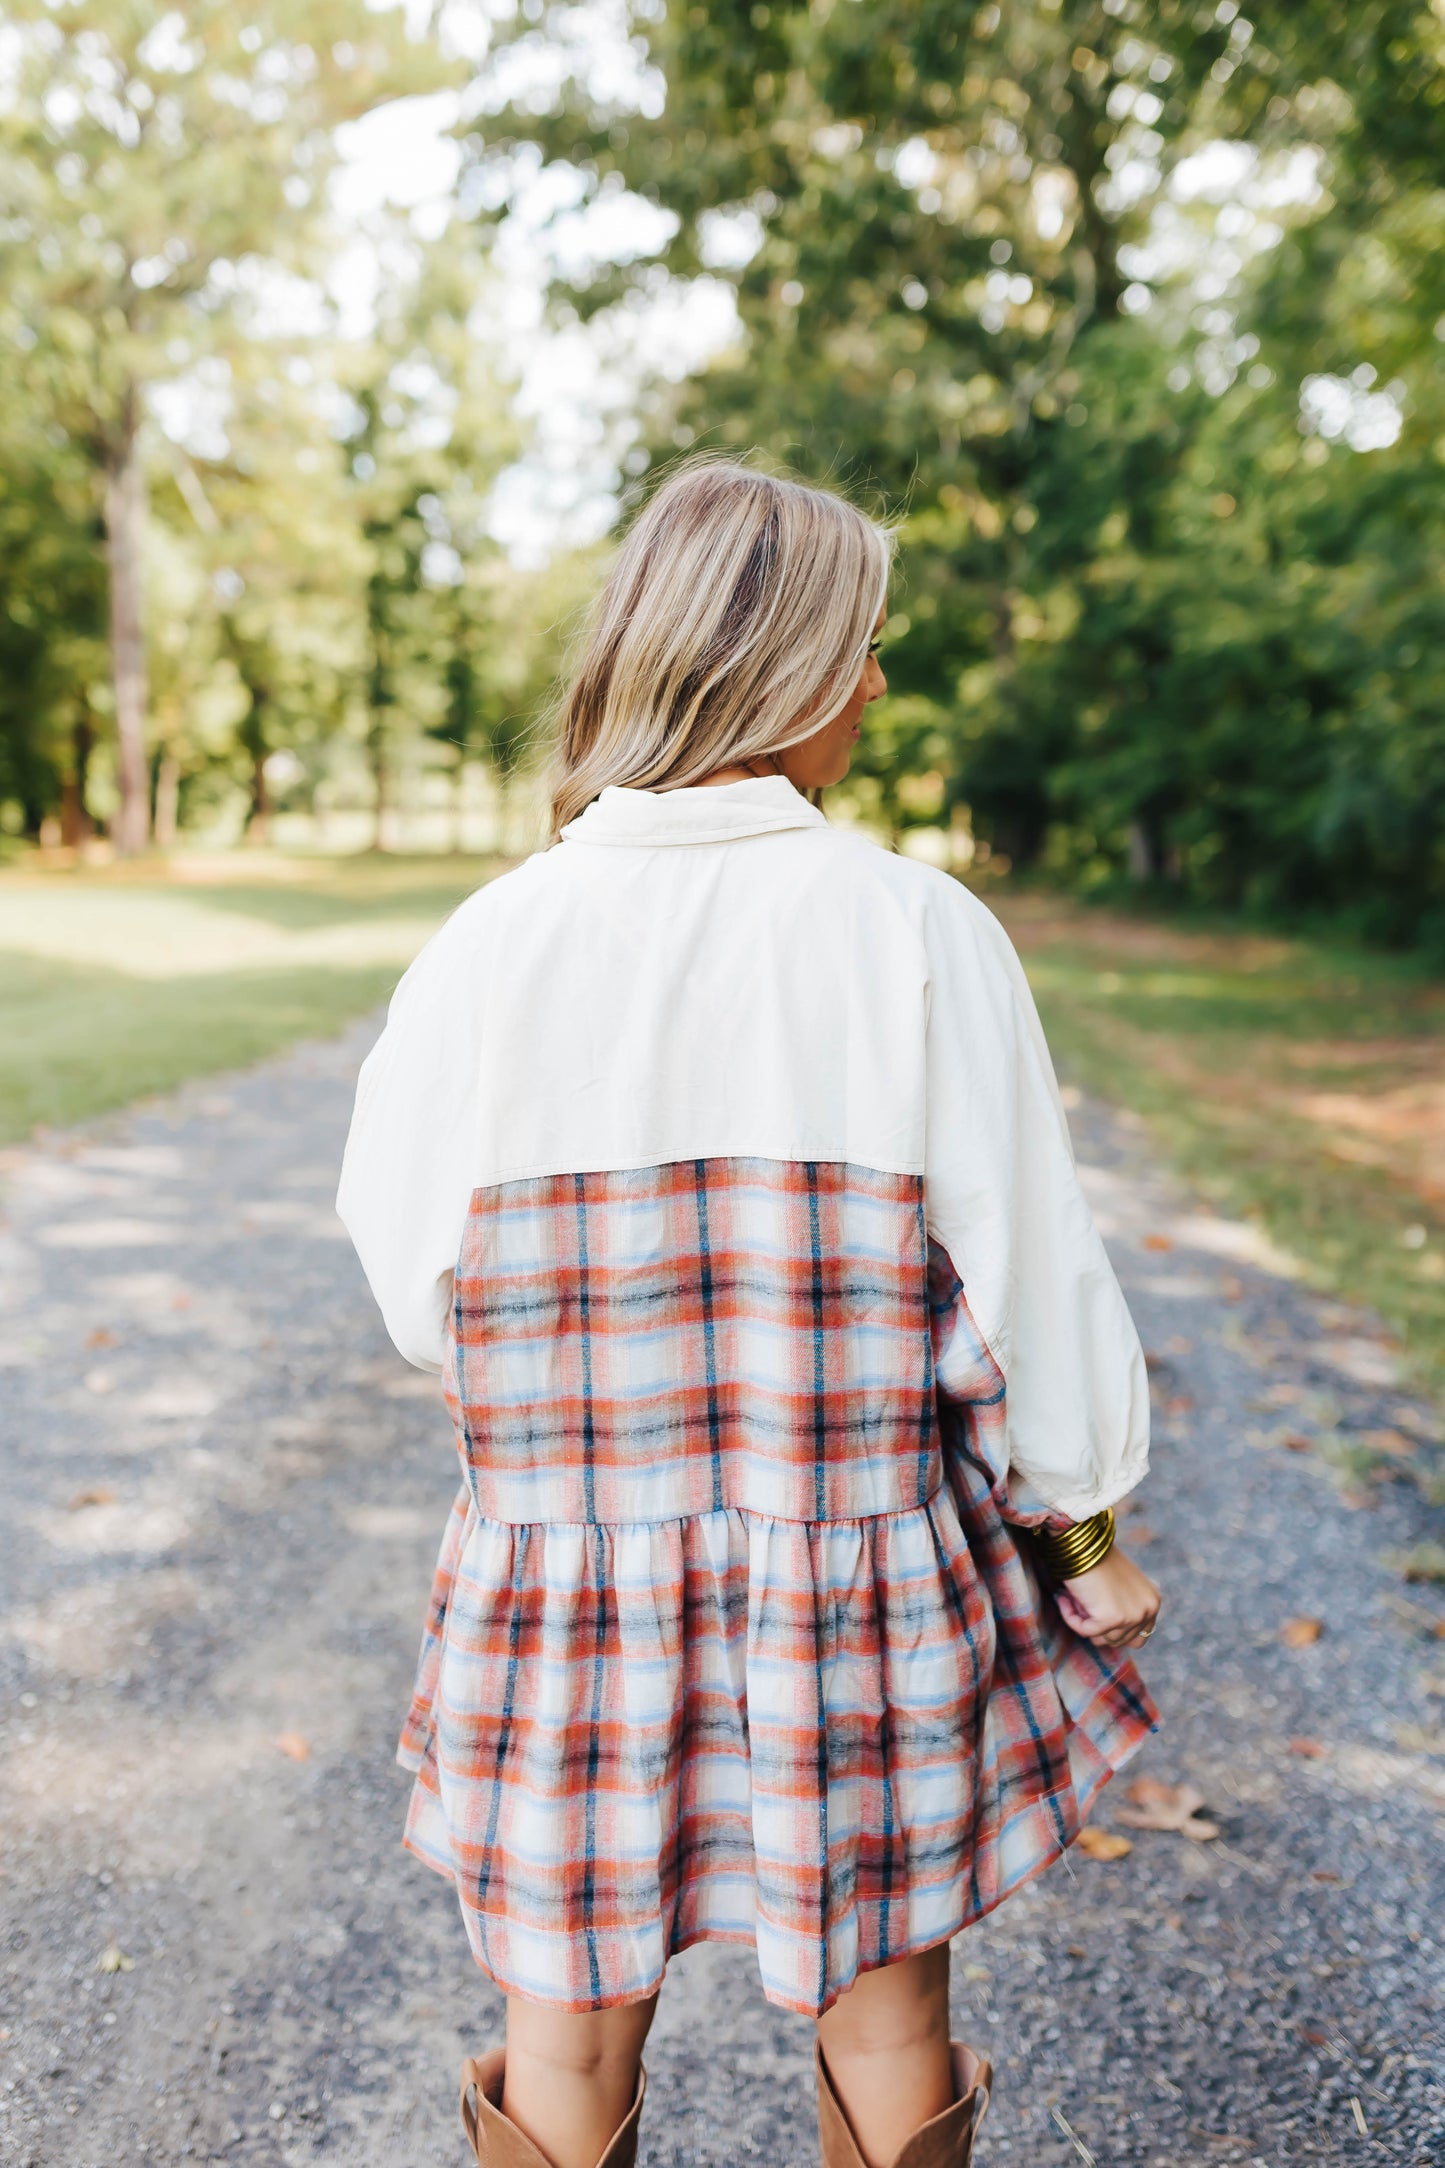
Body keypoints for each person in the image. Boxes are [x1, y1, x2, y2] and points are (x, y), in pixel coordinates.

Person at [337, 460, 1161, 2168]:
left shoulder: (494, 941)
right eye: (860, 646)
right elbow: (1026, 1281)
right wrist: (1082, 1531)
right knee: (886, 2010)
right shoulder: (915, 929)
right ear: (781, 668)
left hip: (565, 1588)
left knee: (559, 2028)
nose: (873, 682)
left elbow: (411, 1271)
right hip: (846, 1582)